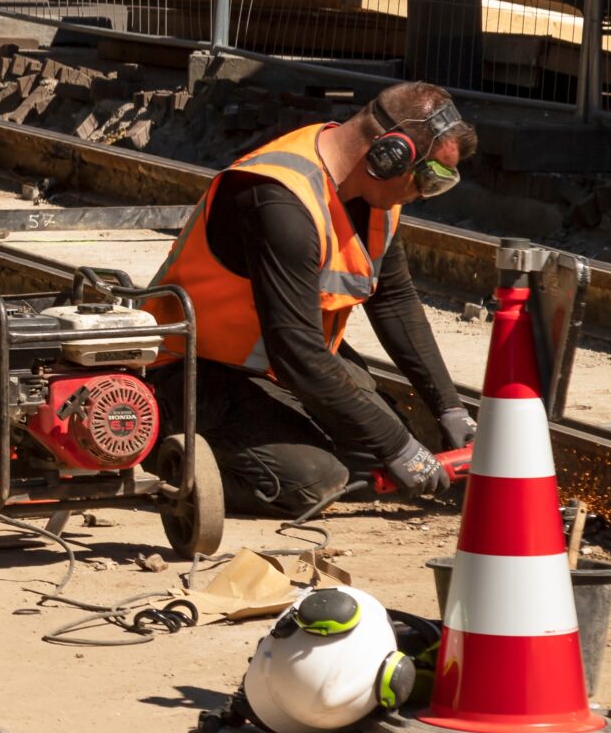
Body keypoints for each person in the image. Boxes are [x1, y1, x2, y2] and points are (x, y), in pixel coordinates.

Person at [149, 83, 477, 516]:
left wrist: (449, 408)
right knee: (316, 481)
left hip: (273, 361)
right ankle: (162, 458)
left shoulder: (375, 197)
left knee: (379, 458)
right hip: (191, 369)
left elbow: (395, 301)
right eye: (429, 178)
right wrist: (399, 445)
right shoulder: (280, 198)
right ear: (388, 155)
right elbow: (296, 354)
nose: (424, 192)